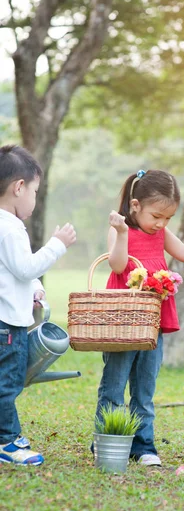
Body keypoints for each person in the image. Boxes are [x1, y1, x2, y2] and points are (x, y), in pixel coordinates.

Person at [94, 169, 184, 467]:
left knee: (145, 385)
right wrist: (122, 233)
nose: (161, 223)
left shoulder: (160, 232)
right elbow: (117, 264)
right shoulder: (120, 227)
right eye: (156, 216)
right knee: (114, 384)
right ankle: (106, 440)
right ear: (135, 205)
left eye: (168, 218)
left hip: (152, 320)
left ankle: (144, 445)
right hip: (124, 320)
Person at [0, 145, 76, 466]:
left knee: (8, 381)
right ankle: (7, 442)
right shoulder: (10, 227)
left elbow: (13, 270)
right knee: (7, 384)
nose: (34, 198)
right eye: (34, 191)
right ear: (19, 187)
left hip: (7, 319)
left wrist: (33, 288)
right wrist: (57, 245)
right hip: (7, 325)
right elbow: (26, 266)